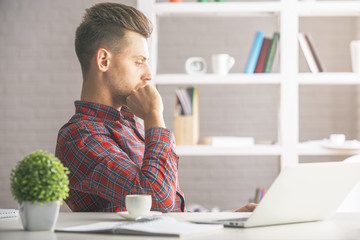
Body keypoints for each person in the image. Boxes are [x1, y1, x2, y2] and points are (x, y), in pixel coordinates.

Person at [56, 2, 256, 213]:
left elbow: (167, 213)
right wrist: (153, 116)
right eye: (139, 62)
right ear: (104, 60)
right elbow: (157, 203)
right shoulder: (79, 137)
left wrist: (223, 221)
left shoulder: (129, 126)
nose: (148, 74)